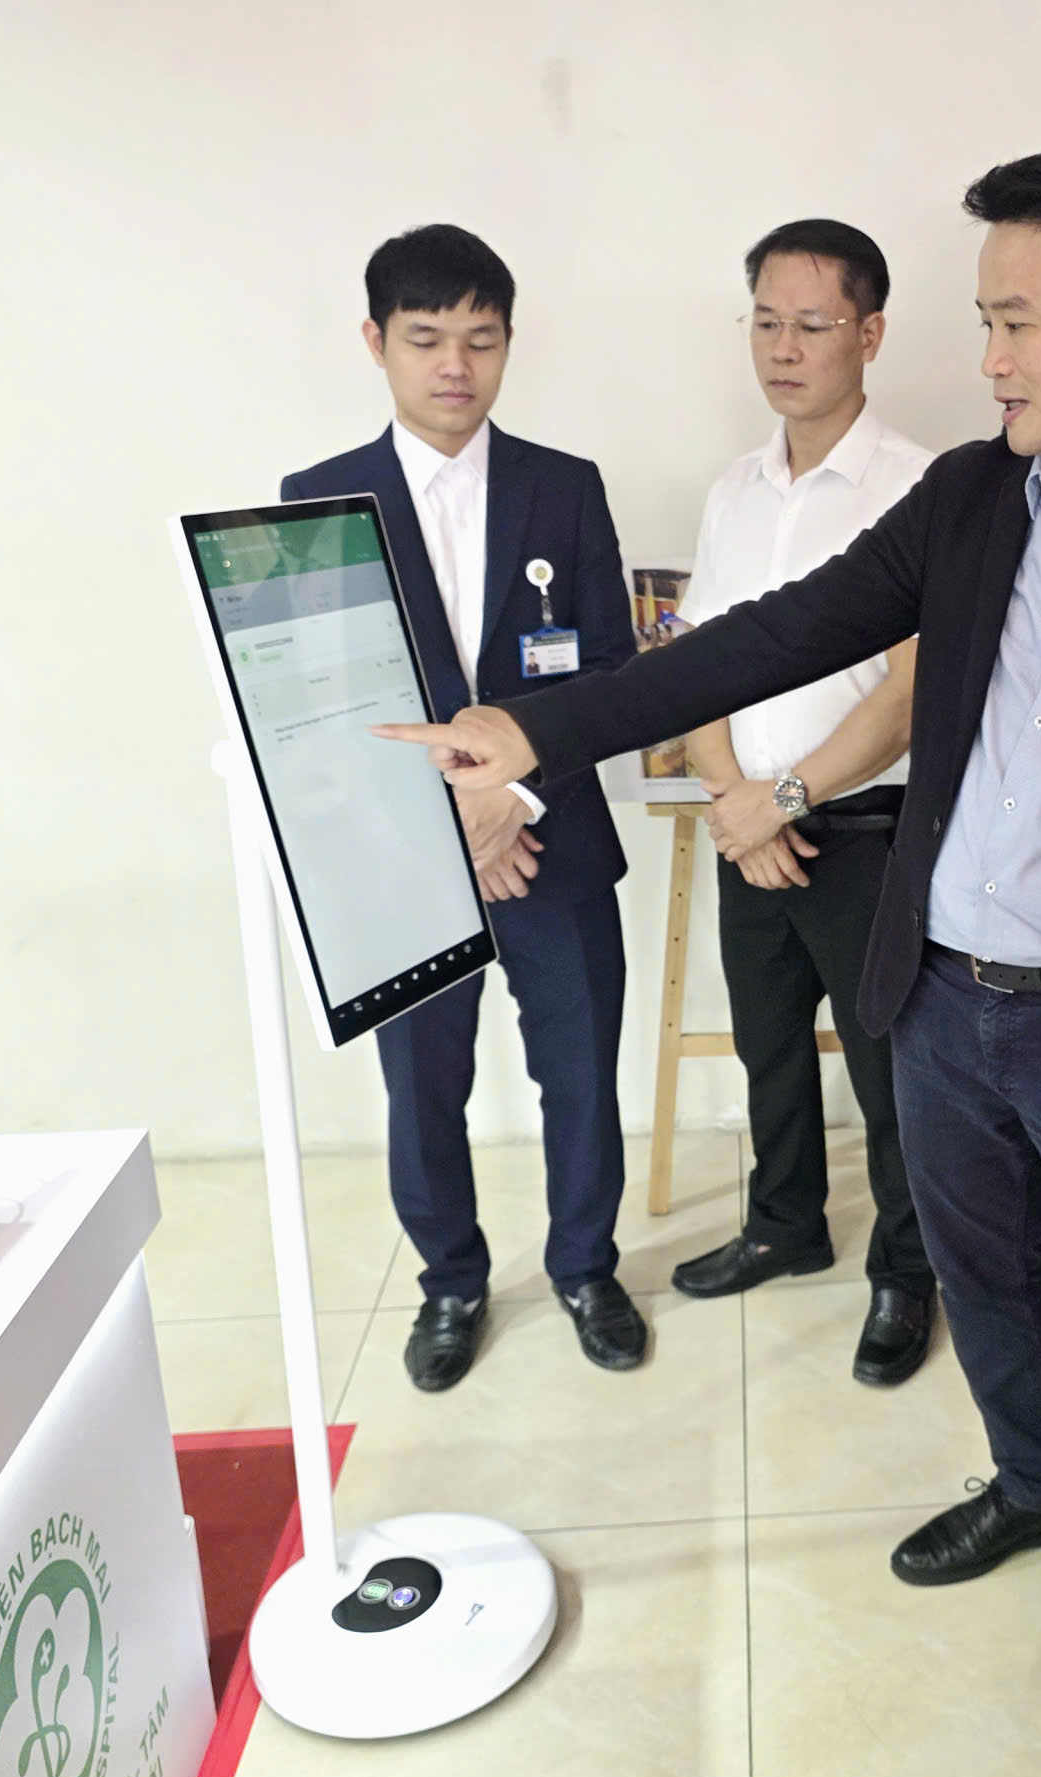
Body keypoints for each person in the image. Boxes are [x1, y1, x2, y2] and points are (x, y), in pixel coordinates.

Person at [386, 145, 1041, 1702]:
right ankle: (1036, 1485)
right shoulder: (971, 500)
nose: (991, 359)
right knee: (983, 1275)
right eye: (983, 323)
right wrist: (539, 729)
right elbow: (773, 633)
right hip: (941, 991)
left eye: (1016, 323)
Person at [281, 224, 646, 1393]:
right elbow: (315, 706)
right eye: (426, 338)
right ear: (375, 341)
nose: (455, 365)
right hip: (401, 860)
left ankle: (585, 1267)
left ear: (508, 343)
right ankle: (450, 1282)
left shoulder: (564, 488)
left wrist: (513, 798)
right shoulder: (315, 501)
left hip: (553, 842)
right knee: (422, 1086)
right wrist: (450, 824)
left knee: (579, 1073)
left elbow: (609, 676)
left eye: (480, 340)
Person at [663, 218, 941, 1388]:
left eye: (812, 324)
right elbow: (697, 662)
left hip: (865, 831)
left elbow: (913, 692)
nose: (783, 348)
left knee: (889, 1073)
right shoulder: (732, 491)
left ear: (869, 334)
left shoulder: (918, 486)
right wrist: (738, 804)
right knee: (768, 1046)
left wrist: (782, 797)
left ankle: (906, 1271)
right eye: (766, 322)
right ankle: (784, 1223)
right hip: (747, 826)